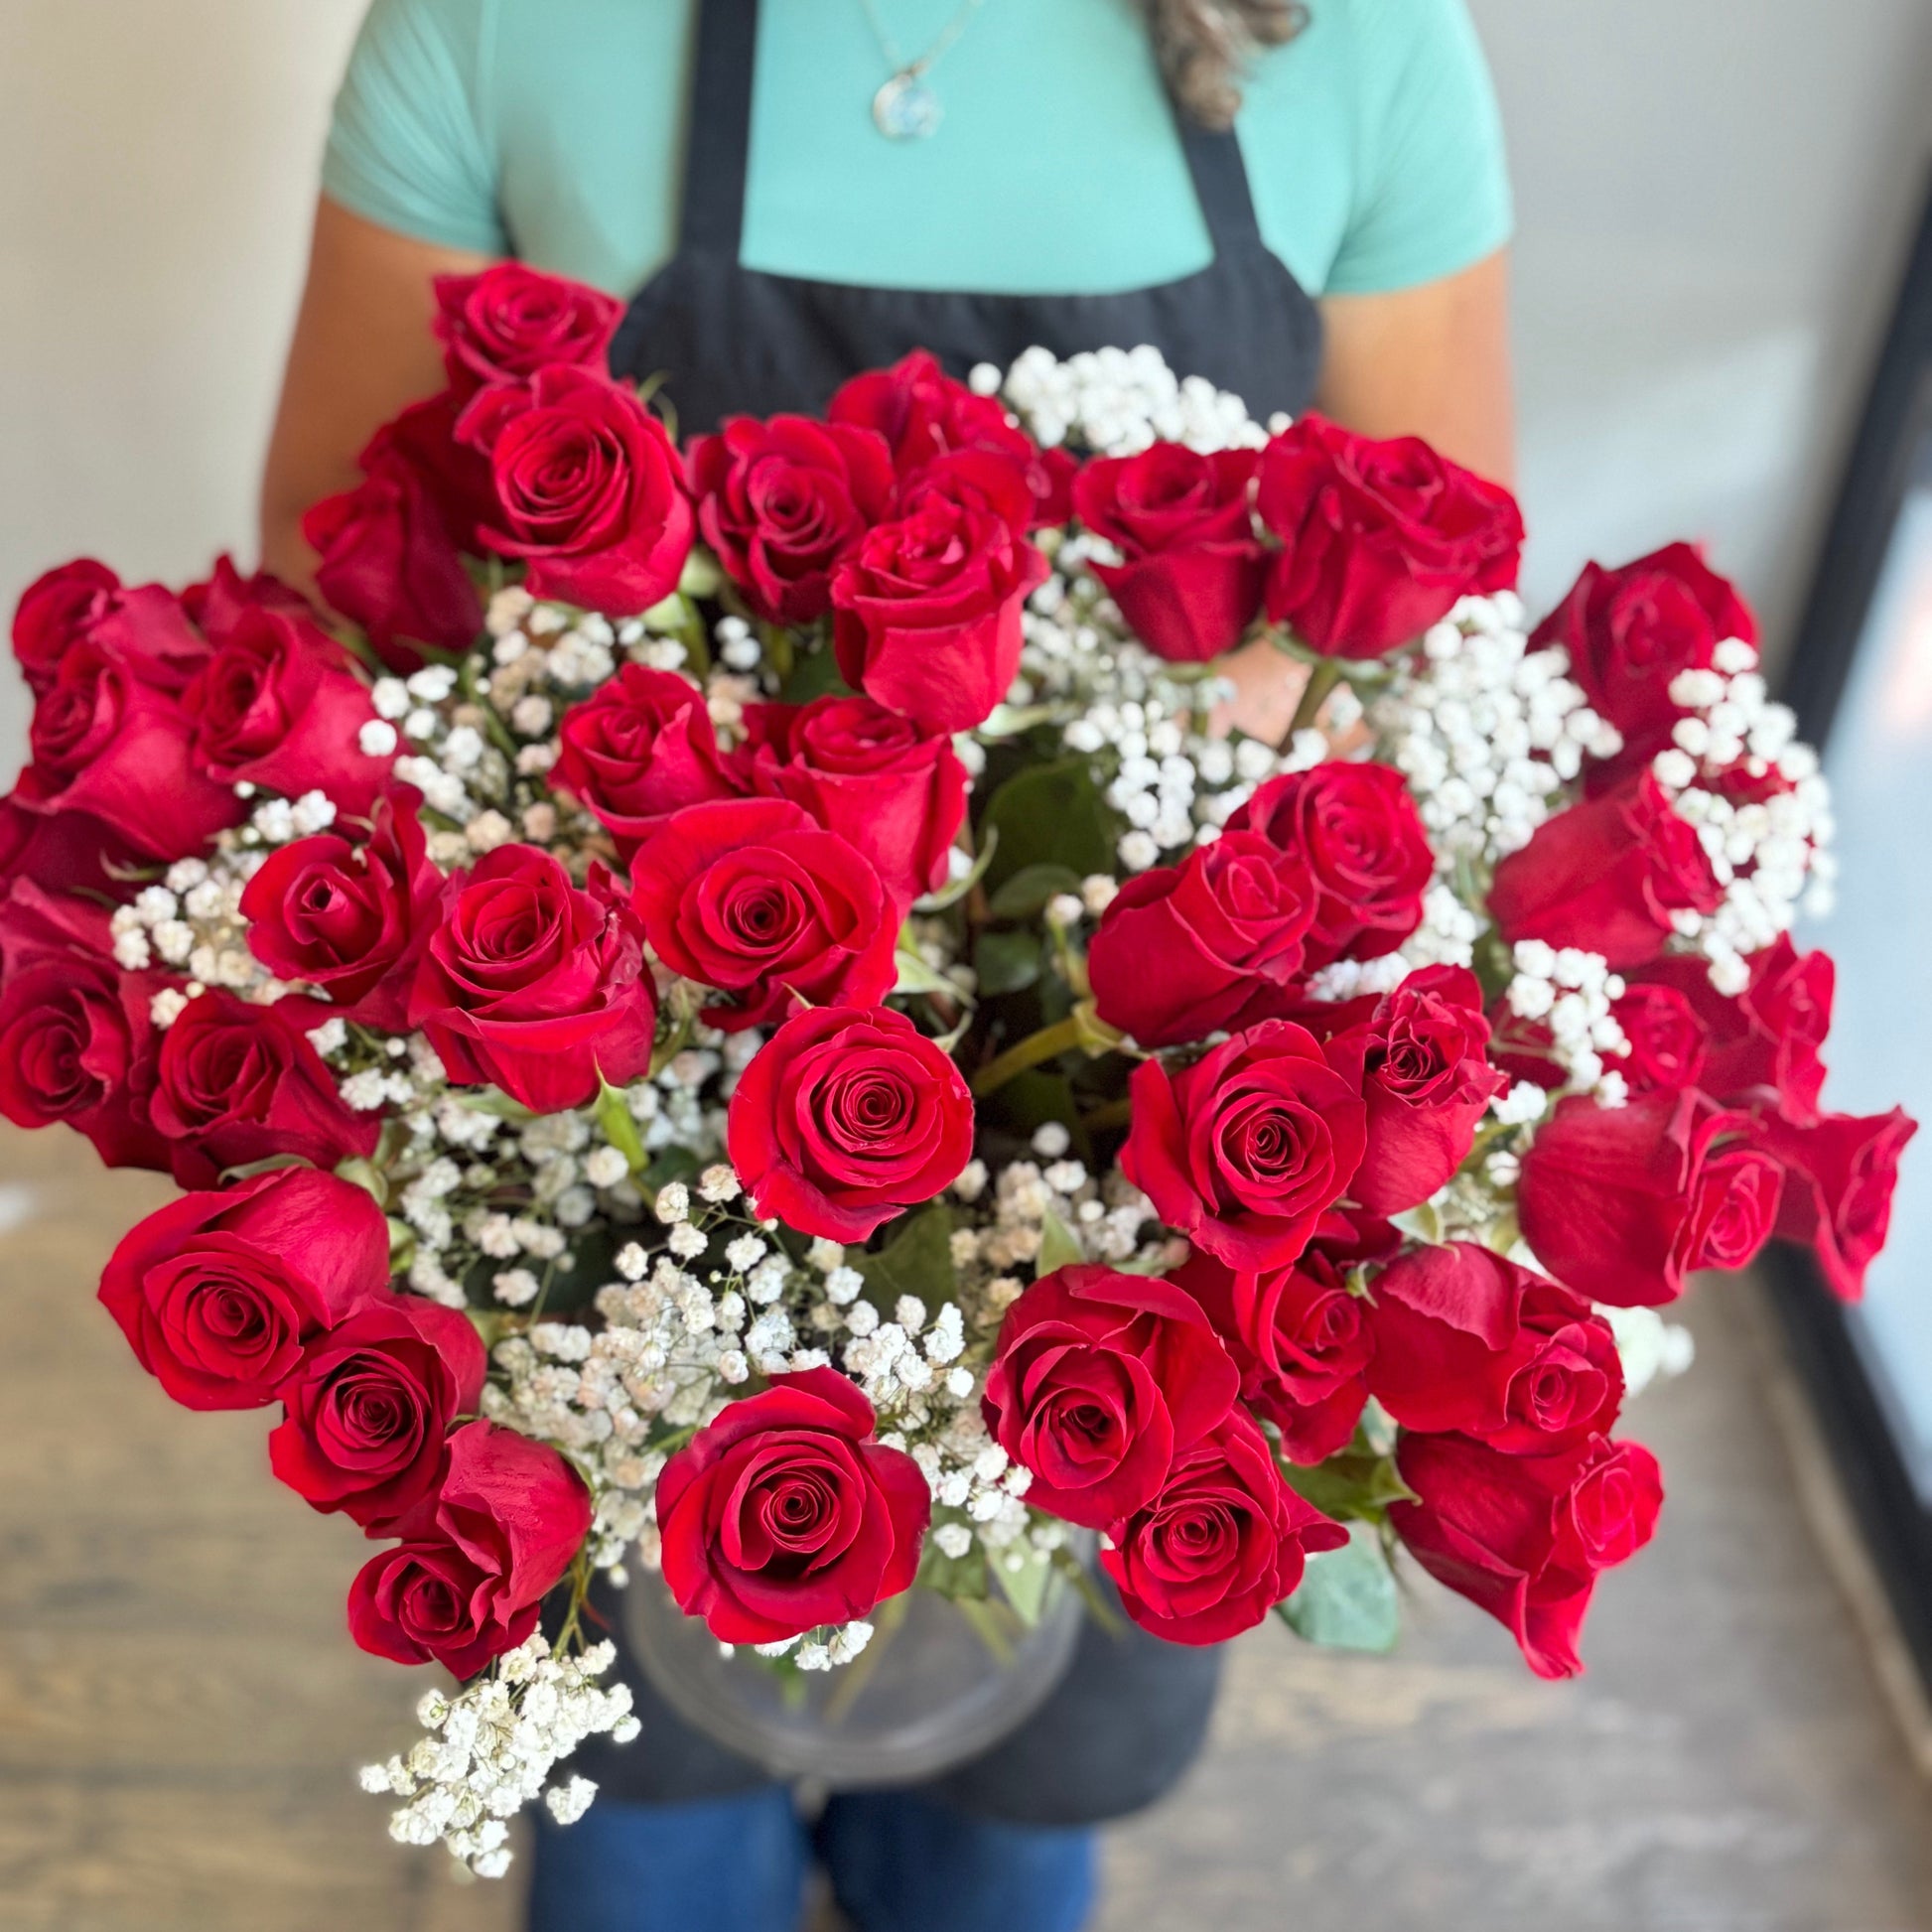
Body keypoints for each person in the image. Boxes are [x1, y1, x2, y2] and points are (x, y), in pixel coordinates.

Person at [260, 3, 1515, 1927]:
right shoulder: (497, 20)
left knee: (1009, 1838)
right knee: (642, 1833)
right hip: (618, 1225)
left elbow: (1430, 619)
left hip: (1143, 1229)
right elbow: (338, 560)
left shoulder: (1355, 39)